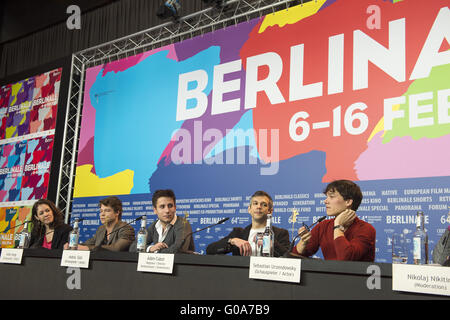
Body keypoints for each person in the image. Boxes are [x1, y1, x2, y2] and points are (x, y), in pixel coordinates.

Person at [293, 180, 376, 261]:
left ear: (348, 202)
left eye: (331, 197)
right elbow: (292, 258)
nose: (325, 201)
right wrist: (303, 243)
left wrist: (338, 226)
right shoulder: (323, 226)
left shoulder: (366, 229)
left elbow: (346, 258)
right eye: (326, 197)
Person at [206, 190, 290, 257]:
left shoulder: (280, 234)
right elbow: (210, 250)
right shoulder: (238, 233)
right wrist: (232, 241)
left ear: (270, 211)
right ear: (249, 209)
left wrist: (273, 245)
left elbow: (290, 258)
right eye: (255, 203)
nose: (259, 207)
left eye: (263, 204)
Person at [129, 189, 195, 253]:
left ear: (175, 208)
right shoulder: (154, 226)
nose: (167, 210)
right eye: (162, 207)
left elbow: (178, 250)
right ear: (155, 210)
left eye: (170, 206)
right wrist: (150, 248)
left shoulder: (183, 224)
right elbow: (133, 247)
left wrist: (155, 251)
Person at [65, 196, 135, 251]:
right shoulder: (101, 229)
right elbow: (87, 244)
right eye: (101, 211)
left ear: (117, 212)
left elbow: (116, 248)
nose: (102, 214)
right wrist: (72, 246)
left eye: (107, 211)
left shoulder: (126, 229)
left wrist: (88, 248)